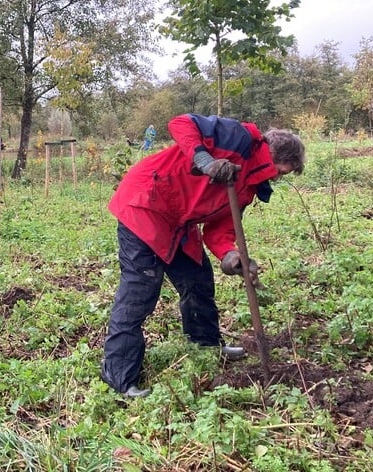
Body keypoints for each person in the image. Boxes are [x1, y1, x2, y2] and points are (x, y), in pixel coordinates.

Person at [101, 113, 305, 398]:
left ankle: (207, 346)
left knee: (198, 279)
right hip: (145, 203)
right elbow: (181, 123)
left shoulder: (248, 188)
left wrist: (232, 256)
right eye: (282, 171)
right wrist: (204, 160)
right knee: (140, 289)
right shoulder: (239, 138)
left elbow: (219, 231)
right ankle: (119, 376)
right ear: (273, 155)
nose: (278, 177)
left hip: (179, 222)